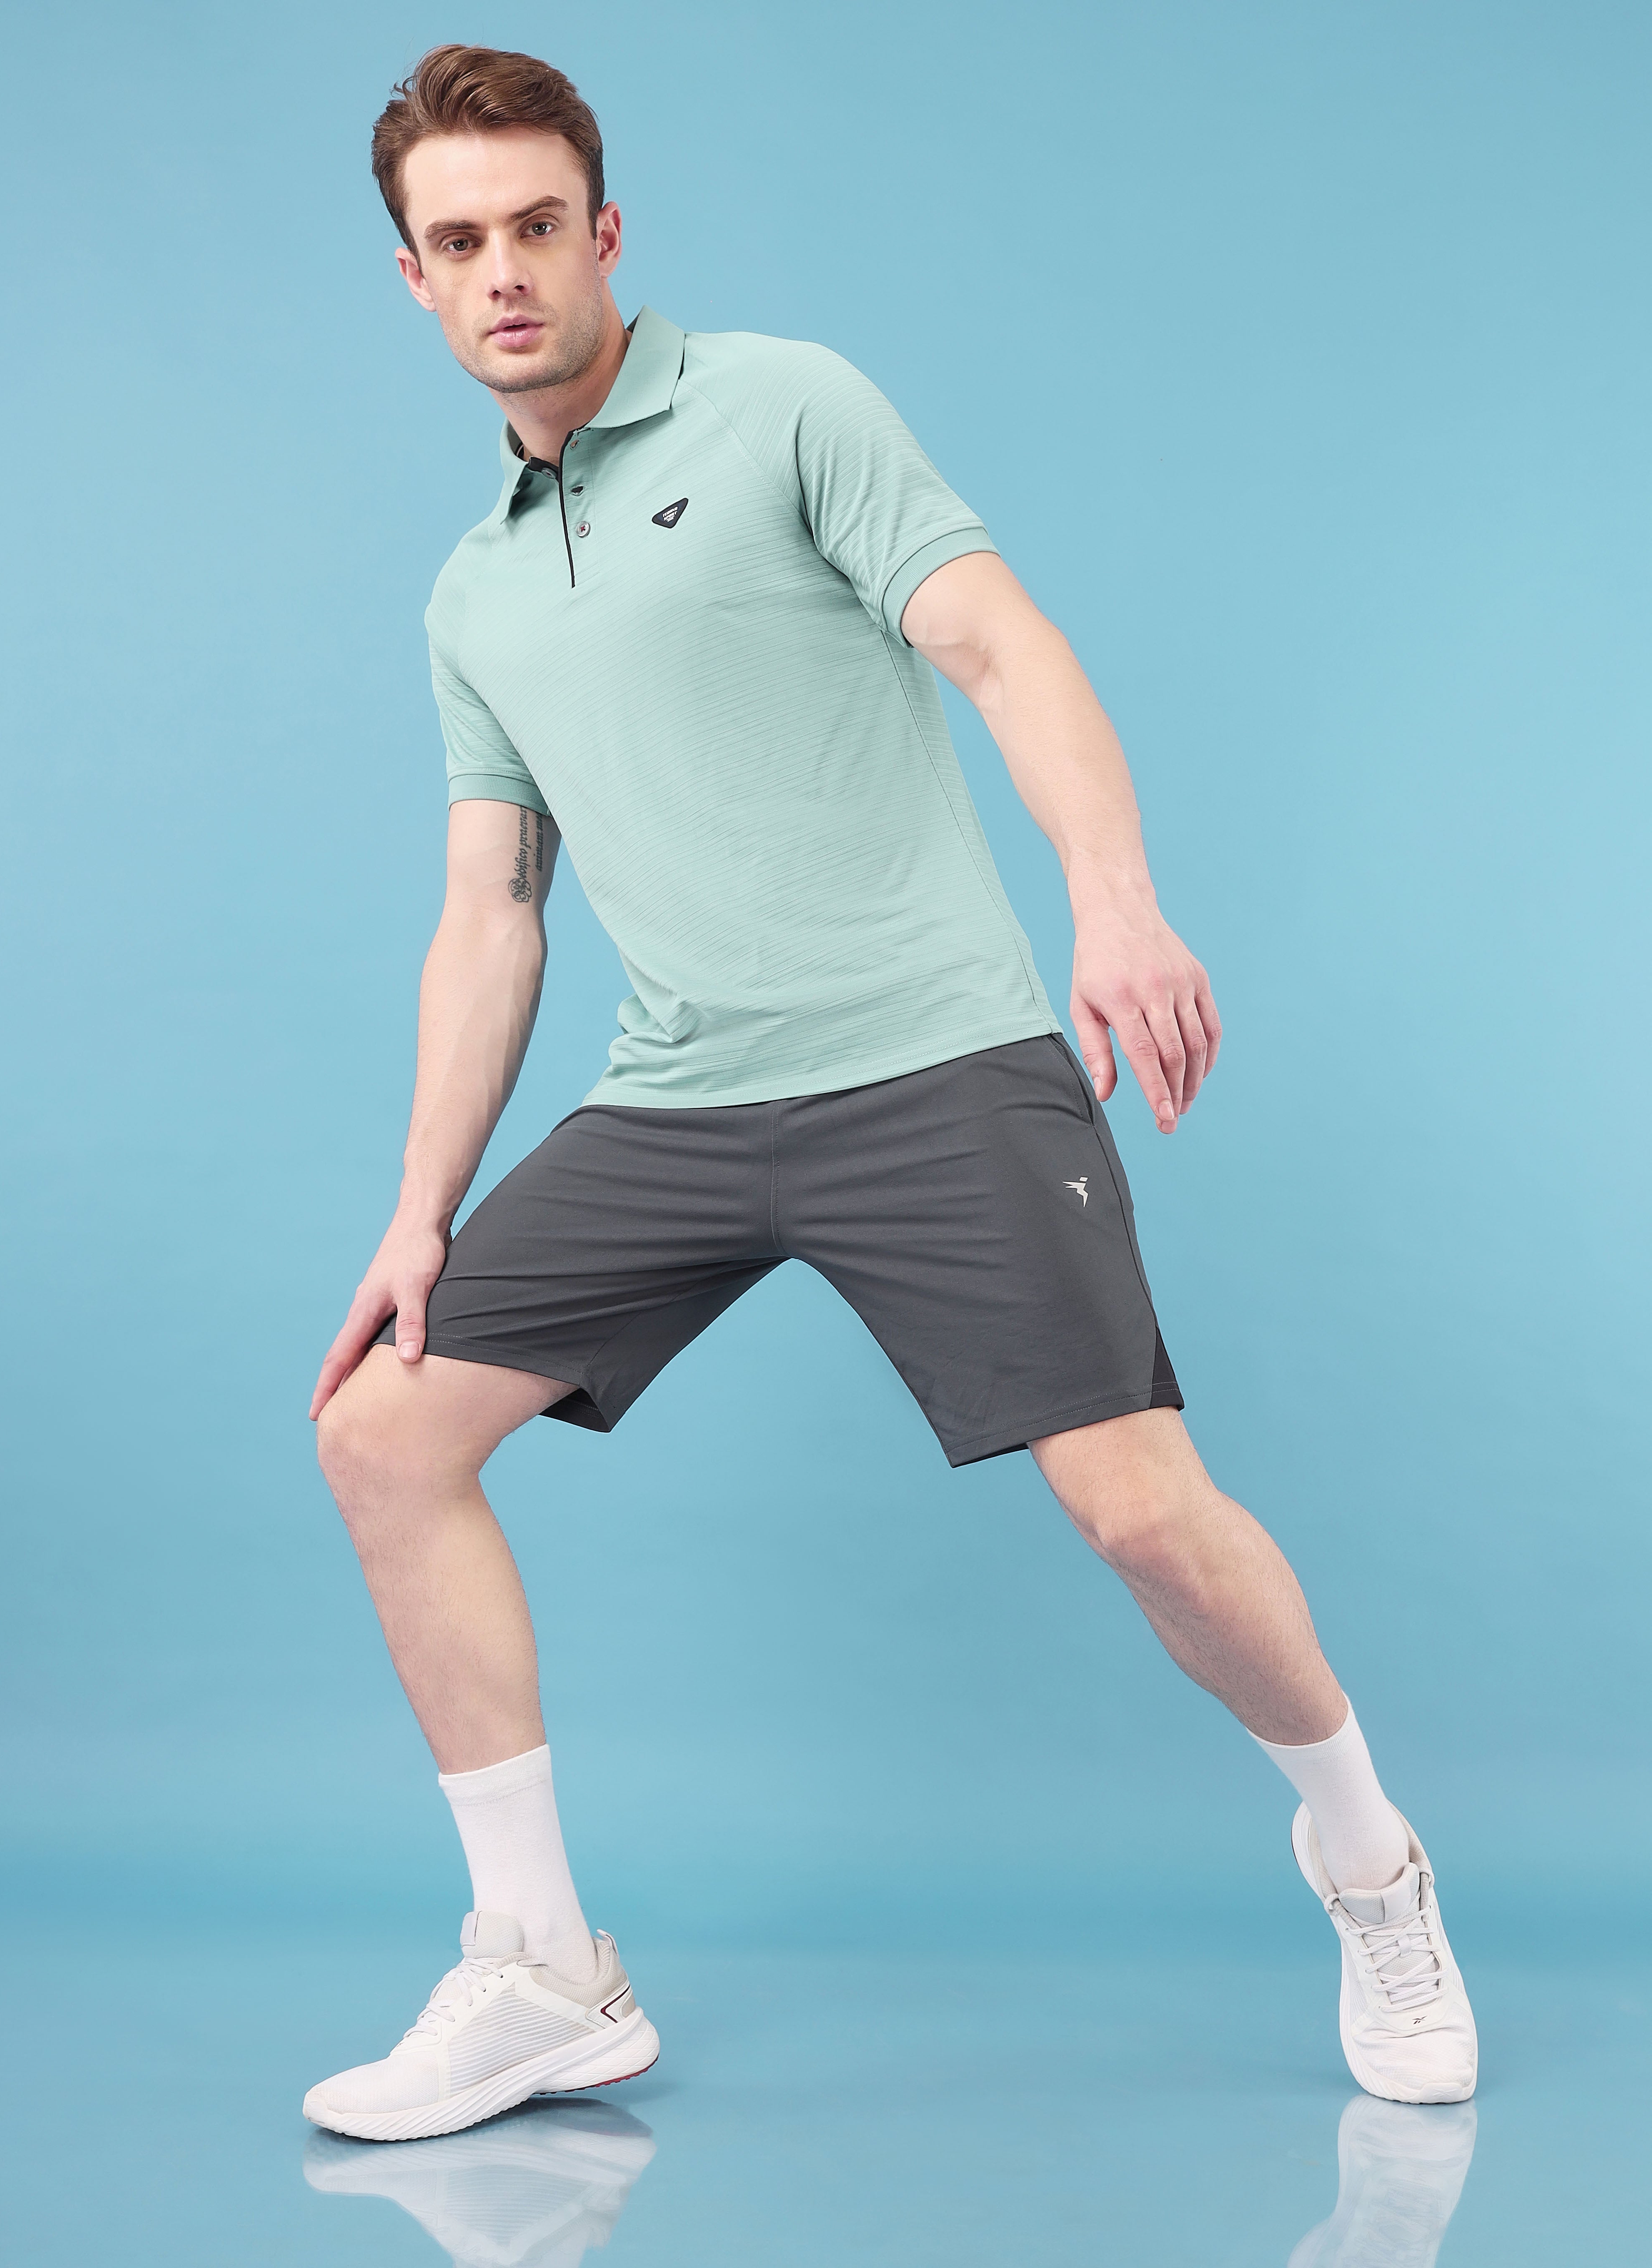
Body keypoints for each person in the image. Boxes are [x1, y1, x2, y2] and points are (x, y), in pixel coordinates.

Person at [302, 45, 1476, 2143]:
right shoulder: (470, 592)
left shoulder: (783, 406)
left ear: (604, 232)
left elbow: (1002, 647)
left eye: (536, 226)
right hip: (682, 1100)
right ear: (411, 277)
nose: (503, 272)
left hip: (933, 1062)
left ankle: (1368, 1860)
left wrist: (1113, 906)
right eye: (457, 242)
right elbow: (490, 914)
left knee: (1139, 1512)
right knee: (381, 1436)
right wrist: (418, 1210)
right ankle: (542, 1967)